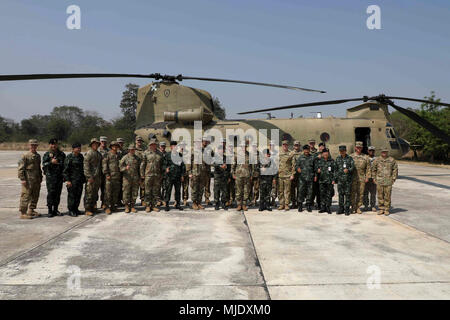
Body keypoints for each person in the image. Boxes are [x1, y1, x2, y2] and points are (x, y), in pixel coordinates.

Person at [18, 139, 42, 219]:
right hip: (28, 180)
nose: (34, 146)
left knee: (35, 195)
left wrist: (40, 177)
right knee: (25, 195)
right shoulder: (25, 156)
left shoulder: (38, 156)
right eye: (32, 145)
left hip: (36, 179)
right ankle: (23, 213)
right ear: (29, 145)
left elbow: (39, 168)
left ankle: (31, 210)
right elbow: (21, 168)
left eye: (35, 145)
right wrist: (22, 179)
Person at [42, 138, 66, 217]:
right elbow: (44, 165)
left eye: (55, 144)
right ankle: (50, 210)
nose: (54, 145)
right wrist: (50, 162)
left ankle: (55, 209)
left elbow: (64, 166)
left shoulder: (61, 154)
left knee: (58, 193)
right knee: (51, 193)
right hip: (50, 177)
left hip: (59, 177)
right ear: (49, 145)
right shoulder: (47, 154)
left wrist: (64, 176)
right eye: (52, 144)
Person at [372, 147, 398, 216]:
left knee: (387, 196)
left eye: (385, 152)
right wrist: (374, 178)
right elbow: (373, 170)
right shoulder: (377, 160)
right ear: (381, 152)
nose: (384, 153)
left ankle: (386, 209)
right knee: (380, 196)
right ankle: (381, 209)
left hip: (388, 181)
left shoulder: (392, 160)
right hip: (379, 180)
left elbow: (395, 169)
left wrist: (394, 178)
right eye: (383, 152)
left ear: (387, 152)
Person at [140, 138, 163, 212]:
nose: (153, 146)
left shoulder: (160, 153)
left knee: (155, 191)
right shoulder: (145, 153)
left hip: (157, 175)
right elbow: (142, 165)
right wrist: (142, 174)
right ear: (149, 145)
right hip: (148, 175)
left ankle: (153, 205)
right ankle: (147, 206)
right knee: (147, 191)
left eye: (154, 145)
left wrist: (162, 174)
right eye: (152, 145)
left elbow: (162, 165)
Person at [63, 142, 85, 217]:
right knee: (72, 196)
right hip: (72, 180)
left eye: (79, 148)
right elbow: (65, 170)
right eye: (77, 148)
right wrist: (68, 180)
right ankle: (71, 210)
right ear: (73, 149)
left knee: (78, 195)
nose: (79, 149)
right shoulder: (69, 157)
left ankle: (76, 209)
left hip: (79, 180)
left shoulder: (81, 157)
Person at [163, 141, 185, 211]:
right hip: (169, 176)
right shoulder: (167, 155)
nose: (175, 147)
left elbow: (182, 166)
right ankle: (166, 204)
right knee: (168, 190)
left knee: (178, 191)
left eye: (176, 146)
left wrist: (182, 175)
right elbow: (164, 164)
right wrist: (165, 169)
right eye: (173, 146)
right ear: (171, 147)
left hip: (178, 176)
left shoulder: (180, 155)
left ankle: (178, 204)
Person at [350, 141, 371, 214]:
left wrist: (367, 177)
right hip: (353, 178)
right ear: (355, 147)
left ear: (362, 148)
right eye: (357, 147)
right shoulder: (351, 156)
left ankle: (358, 207)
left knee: (360, 193)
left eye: (360, 147)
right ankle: (352, 207)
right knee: (352, 193)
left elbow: (368, 168)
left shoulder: (365, 157)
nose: (358, 148)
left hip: (362, 178)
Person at [119, 144, 141, 213]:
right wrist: (125, 168)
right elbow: (120, 167)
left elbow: (139, 168)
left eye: (133, 150)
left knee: (134, 192)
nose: (132, 151)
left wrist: (140, 178)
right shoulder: (125, 157)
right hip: (127, 178)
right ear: (129, 150)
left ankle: (132, 206)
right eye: (131, 150)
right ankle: (126, 206)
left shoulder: (137, 158)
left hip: (135, 178)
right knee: (126, 192)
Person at [83, 138, 103, 216]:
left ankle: (93, 207)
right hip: (91, 177)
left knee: (95, 194)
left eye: (97, 144)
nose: (96, 145)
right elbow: (86, 166)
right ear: (91, 145)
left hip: (97, 177)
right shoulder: (89, 153)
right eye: (94, 144)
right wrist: (89, 177)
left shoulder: (98, 154)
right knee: (89, 193)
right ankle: (87, 209)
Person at [187, 139, 207, 210]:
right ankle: (194, 203)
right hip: (194, 173)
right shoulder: (192, 152)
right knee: (194, 189)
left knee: (201, 189)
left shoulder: (204, 151)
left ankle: (199, 203)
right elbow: (188, 163)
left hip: (202, 173)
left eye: (199, 143)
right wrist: (189, 173)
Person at [232, 142, 253, 211]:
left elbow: (251, 166)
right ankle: (239, 205)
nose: (243, 148)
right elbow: (233, 165)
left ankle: (244, 204)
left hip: (247, 175)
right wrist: (233, 174)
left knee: (246, 191)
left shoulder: (249, 155)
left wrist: (251, 175)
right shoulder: (237, 155)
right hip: (238, 176)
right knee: (238, 190)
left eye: (245, 146)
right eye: (242, 146)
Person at [102, 141, 121, 214]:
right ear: (111, 147)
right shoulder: (107, 155)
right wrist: (106, 174)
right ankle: (107, 207)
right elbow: (104, 165)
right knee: (108, 193)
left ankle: (113, 206)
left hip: (117, 177)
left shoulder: (118, 155)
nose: (115, 147)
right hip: (109, 177)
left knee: (115, 193)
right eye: (114, 146)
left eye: (116, 146)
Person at [314, 148, 335, 214]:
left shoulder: (331, 161)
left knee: (329, 194)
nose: (325, 154)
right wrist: (317, 170)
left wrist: (334, 179)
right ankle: (323, 207)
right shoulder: (319, 161)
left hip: (329, 181)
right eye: (324, 152)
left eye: (327, 152)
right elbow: (315, 168)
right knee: (322, 194)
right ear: (322, 154)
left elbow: (335, 171)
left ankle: (328, 207)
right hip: (321, 180)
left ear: (328, 153)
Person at [335, 145, 354, 215]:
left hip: (347, 180)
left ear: (345, 151)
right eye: (341, 151)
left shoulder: (350, 158)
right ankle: (341, 208)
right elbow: (335, 169)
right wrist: (335, 178)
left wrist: (348, 170)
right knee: (340, 195)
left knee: (347, 195)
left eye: (343, 151)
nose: (342, 152)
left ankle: (347, 209)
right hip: (340, 181)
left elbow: (353, 167)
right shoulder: (337, 159)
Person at [295, 145, 314, 212]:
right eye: (305, 150)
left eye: (307, 150)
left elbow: (315, 167)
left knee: (310, 192)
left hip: (310, 178)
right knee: (301, 191)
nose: (306, 151)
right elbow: (296, 165)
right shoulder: (300, 158)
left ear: (309, 150)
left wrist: (315, 176)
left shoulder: (312, 157)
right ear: (303, 150)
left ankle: (308, 205)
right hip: (302, 178)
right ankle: (300, 205)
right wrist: (298, 168)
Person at [277, 140, 295, 211]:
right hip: (280, 175)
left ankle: (287, 204)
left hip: (288, 175)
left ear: (288, 145)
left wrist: (292, 174)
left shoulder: (291, 153)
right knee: (280, 191)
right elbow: (276, 164)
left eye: (286, 145)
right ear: (282, 145)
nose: (285, 146)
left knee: (287, 191)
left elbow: (293, 165)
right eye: (284, 145)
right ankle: (281, 204)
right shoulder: (279, 153)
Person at [213, 144, 230, 210]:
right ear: (218, 150)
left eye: (223, 149)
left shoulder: (226, 158)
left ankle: (223, 203)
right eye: (220, 149)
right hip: (217, 176)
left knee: (224, 191)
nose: (221, 151)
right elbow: (214, 164)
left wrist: (228, 176)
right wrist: (220, 166)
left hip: (224, 177)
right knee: (216, 191)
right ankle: (217, 204)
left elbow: (229, 168)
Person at [311, 142, 326, 209]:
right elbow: (311, 162)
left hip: (324, 175)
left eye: (322, 146)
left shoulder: (326, 154)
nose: (321, 147)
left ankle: (323, 204)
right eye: (320, 146)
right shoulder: (316, 154)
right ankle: (318, 203)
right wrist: (317, 157)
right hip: (317, 175)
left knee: (323, 190)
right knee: (317, 190)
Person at [363, 146, 377, 212]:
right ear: (368, 151)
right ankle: (366, 205)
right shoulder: (364, 158)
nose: (371, 152)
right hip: (366, 178)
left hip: (374, 179)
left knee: (373, 193)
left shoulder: (377, 159)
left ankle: (373, 206)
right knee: (365, 193)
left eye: (373, 151)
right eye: (370, 150)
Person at [98, 136, 109, 209]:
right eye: (102, 141)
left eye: (104, 142)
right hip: (98, 172)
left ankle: (104, 203)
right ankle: (94, 204)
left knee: (105, 189)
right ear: (100, 142)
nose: (103, 143)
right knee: (95, 189)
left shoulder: (108, 151)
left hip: (105, 172)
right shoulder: (97, 150)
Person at [290, 141, 301, 209]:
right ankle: (293, 203)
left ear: (299, 146)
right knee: (292, 189)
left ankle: (299, 203)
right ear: (294, 146)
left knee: (300, 189)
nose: (296, 146)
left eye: (297, 145)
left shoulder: (302, 153)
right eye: (295, 145)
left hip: (299, 174)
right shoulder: (291, 153)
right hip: (293, 174)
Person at [135, 136, 146, 206]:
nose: (139, 142)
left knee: (143, 187)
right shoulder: (132, 149)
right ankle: (132, 202)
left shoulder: (144, 150)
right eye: (138, 141)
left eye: (140, 141)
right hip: (134, 171)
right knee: (134, 188)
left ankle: (143, 200)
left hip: (142, 171)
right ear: (135, 141)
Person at [178, 141, 190, 206]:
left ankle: (185, 200)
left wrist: (189, 172)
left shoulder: (188, 154)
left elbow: (190, 163)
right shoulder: (177, 154)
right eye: (181, 145)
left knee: (185, 187)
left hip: (186, 173)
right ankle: (176, 200)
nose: (183, 146)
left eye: (184, 145)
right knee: (178, 188)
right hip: (178, 173)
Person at [202, 137, 212, 205]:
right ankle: (198, 200)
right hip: (200, 170)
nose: (205, 142)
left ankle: (207, 199)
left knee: (207, 185)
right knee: (200, 186)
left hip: (207, 170)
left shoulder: (209, 150)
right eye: (204, 141)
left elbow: (213, 156)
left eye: (206, 141)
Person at [249, 142, 260, 206]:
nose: (254, 147)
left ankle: (255, 200)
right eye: (253, 146)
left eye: (255, 146)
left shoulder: (259, 155)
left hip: (257, 174)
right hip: (250, 174)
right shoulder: (250, 155)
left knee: (256, 188)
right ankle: (251, 200)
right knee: (250, 188)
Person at [269, 140, 278, 206]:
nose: (272, 146)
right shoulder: (266, 152)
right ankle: (267, 200)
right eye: (270, 145)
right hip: (267, 174)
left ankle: (273, 200)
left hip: (275, 172)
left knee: (274, 188)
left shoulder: (277, 153)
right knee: (268, 187)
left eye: (273, 145)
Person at [159, 141, 167, 206]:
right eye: (161, 146)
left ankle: (163, 199)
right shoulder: (157, 154)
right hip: (158, 173)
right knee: (158, 187)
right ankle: (158, 200)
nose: (162, 148)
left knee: (164, 187)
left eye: (164, 146)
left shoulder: (167, 154)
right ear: (159, 147)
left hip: (165, 174)